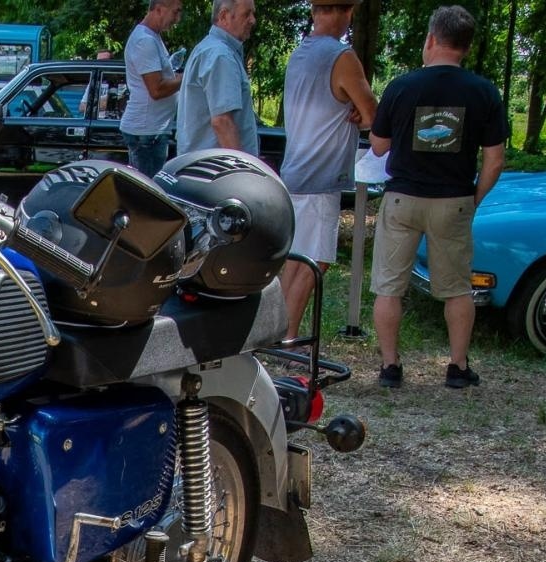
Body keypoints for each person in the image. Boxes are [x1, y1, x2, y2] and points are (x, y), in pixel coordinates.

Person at [367, 5, 505, 389]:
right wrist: (473, 198)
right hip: (454, 200)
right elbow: (495, 161)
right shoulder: (483, 92)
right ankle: (457, 367)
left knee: (389, 286)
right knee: (457, 288)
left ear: (431, 39)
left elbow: (378, 147)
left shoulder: (401, 86)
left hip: (402, 199)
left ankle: (391, 366)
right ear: (466, 47)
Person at [278, 1, 378, 343]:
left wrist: (352, 107)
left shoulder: (300, 54)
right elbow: (373, 115)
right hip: (321, 177)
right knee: (314, 261)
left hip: (293, 171)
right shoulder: (342, 57)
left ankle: (273, 333)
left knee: (293, 260)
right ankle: (287, 339)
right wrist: (356, 108)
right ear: (345, 12)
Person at [176, 0, 259, 157]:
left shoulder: (208, 48)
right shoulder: (221, 55)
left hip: (204, 169)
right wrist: (243, 173)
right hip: (218, 174)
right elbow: (222, 122)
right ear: (224, 16)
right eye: (246, 14)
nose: (252, 20)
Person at [121, 0, 184, 176]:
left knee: (146, 195)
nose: (177, 19)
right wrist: (185, 79)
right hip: (147, 133)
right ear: (159, 9)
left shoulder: (152, 37)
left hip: (151, 131)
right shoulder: (145, 41)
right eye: (175, 12)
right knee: (147, 197)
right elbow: (156, 90)